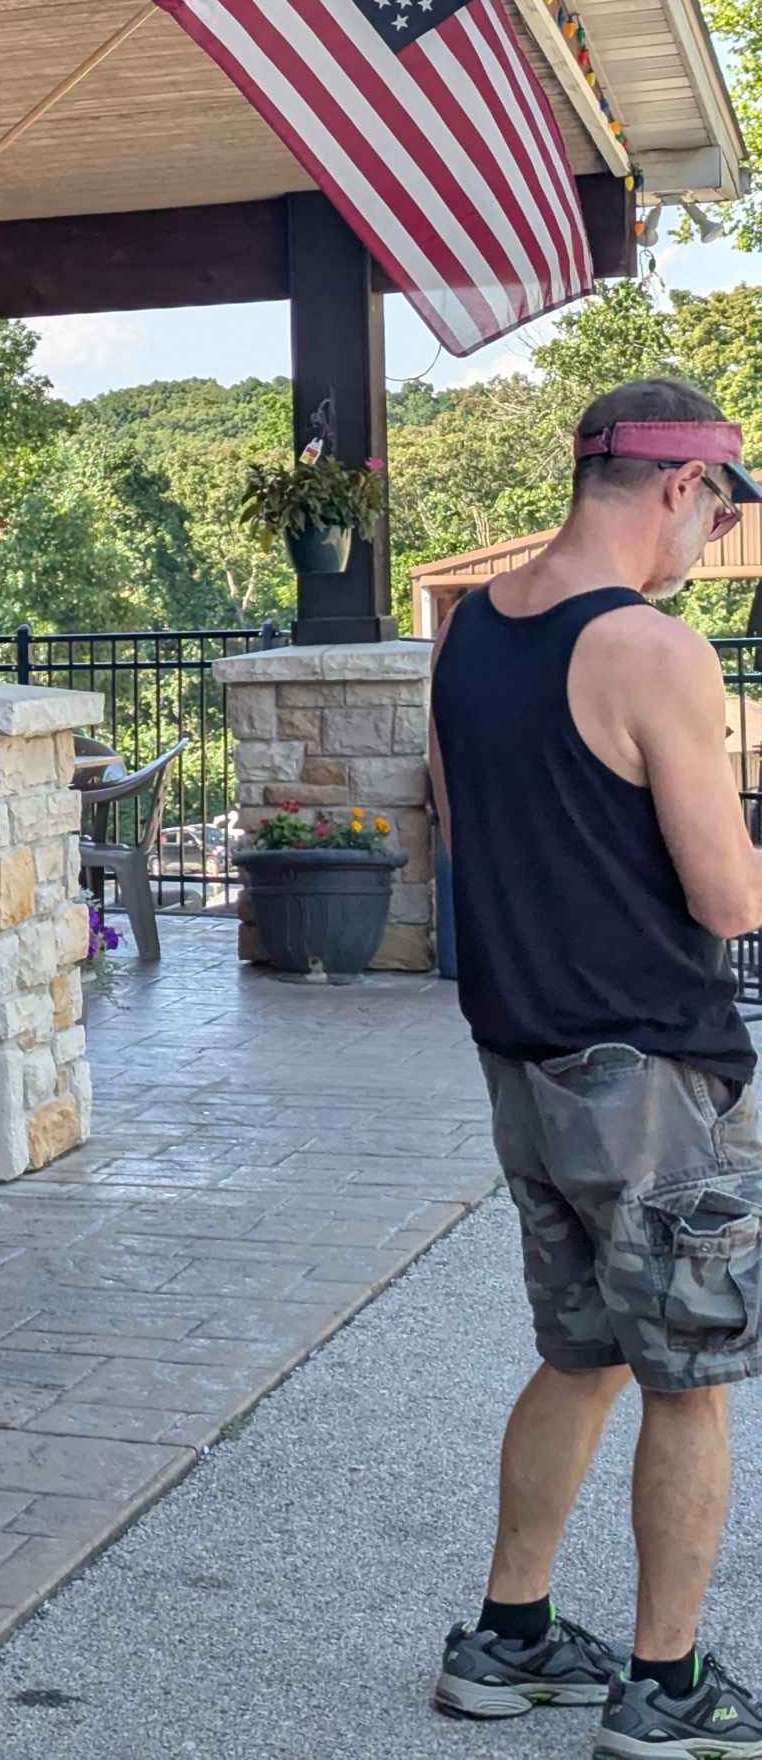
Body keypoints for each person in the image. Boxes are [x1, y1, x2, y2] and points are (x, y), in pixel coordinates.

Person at [429, 378, 762, 1756]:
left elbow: (462, 835)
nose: (711, 544)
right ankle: (663, 1687)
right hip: (651, 1080)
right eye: (720, 514)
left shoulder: (467, 633)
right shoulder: (652, 650)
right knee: (687, 1377)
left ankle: (507, 1638)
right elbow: (728, 897)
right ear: (682, 485)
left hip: (526, 1062)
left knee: (585, 1354)